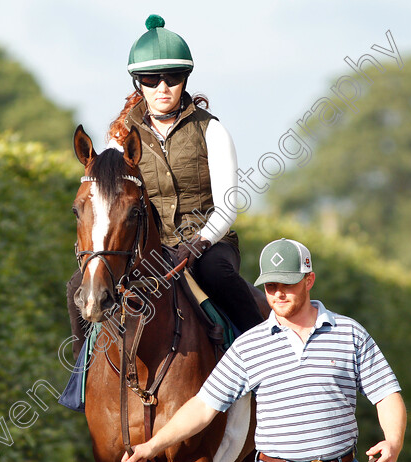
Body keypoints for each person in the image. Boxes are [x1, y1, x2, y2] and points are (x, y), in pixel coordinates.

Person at [121, 238, 407, 462]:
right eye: (271, 285)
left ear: (309, 280)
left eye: (288, 283)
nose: (279, 293)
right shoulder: (249, 345)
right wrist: (151, 446)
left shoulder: (350, 334)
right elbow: (203, 406)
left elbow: (386, 394)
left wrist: (393, 442)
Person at [66, 14, 263, 359]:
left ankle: (264, 357)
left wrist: (197, 244)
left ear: (185, 79)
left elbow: (228, 205)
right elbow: (105, 203)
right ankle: (82, 375)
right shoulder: (119, 139)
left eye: (172, 78)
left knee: (216, 273)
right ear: (138, 83)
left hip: (207, 244)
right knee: (75, 288)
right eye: (151, 79)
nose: (162, 87)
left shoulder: (212, 130)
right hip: (149, 249)